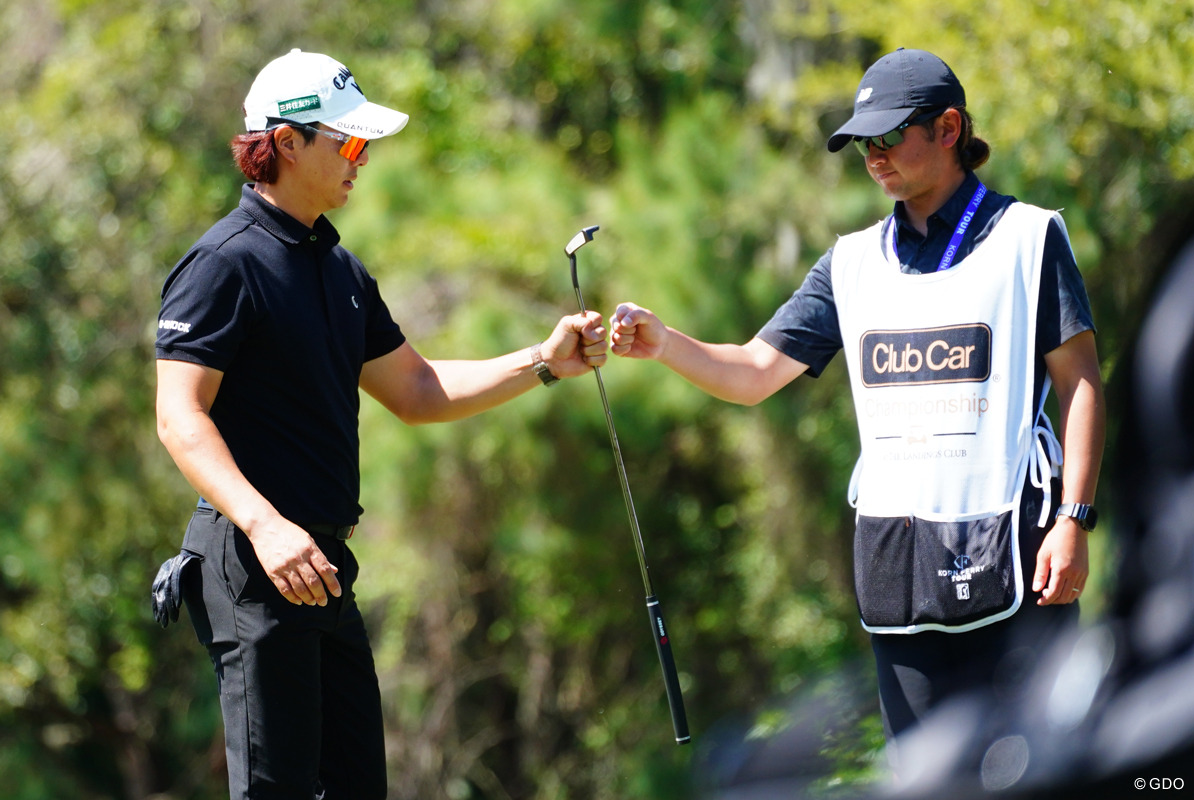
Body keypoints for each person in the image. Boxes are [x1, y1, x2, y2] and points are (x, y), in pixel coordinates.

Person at [608, 48, 1105, 764]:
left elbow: (1081, 382)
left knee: (1045, 773)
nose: (872, 157)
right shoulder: (849, 263)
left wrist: (1075, 519)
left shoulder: (1030, 238)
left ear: (949, 128)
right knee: (924, 777)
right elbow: (752, 373)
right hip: (900, 577)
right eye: (861, 144)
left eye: (887, 137)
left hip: (1023, 566)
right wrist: (662, 344)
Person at [151, 49, 607, 800]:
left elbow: (419, 390)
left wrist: (544, 362)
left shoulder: (339, 270)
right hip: (252, 561)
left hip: (323, 568)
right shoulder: (222, 265)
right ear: (287, 142)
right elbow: (178, 416)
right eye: (349, 143)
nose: (362, 160)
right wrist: (266, 526)